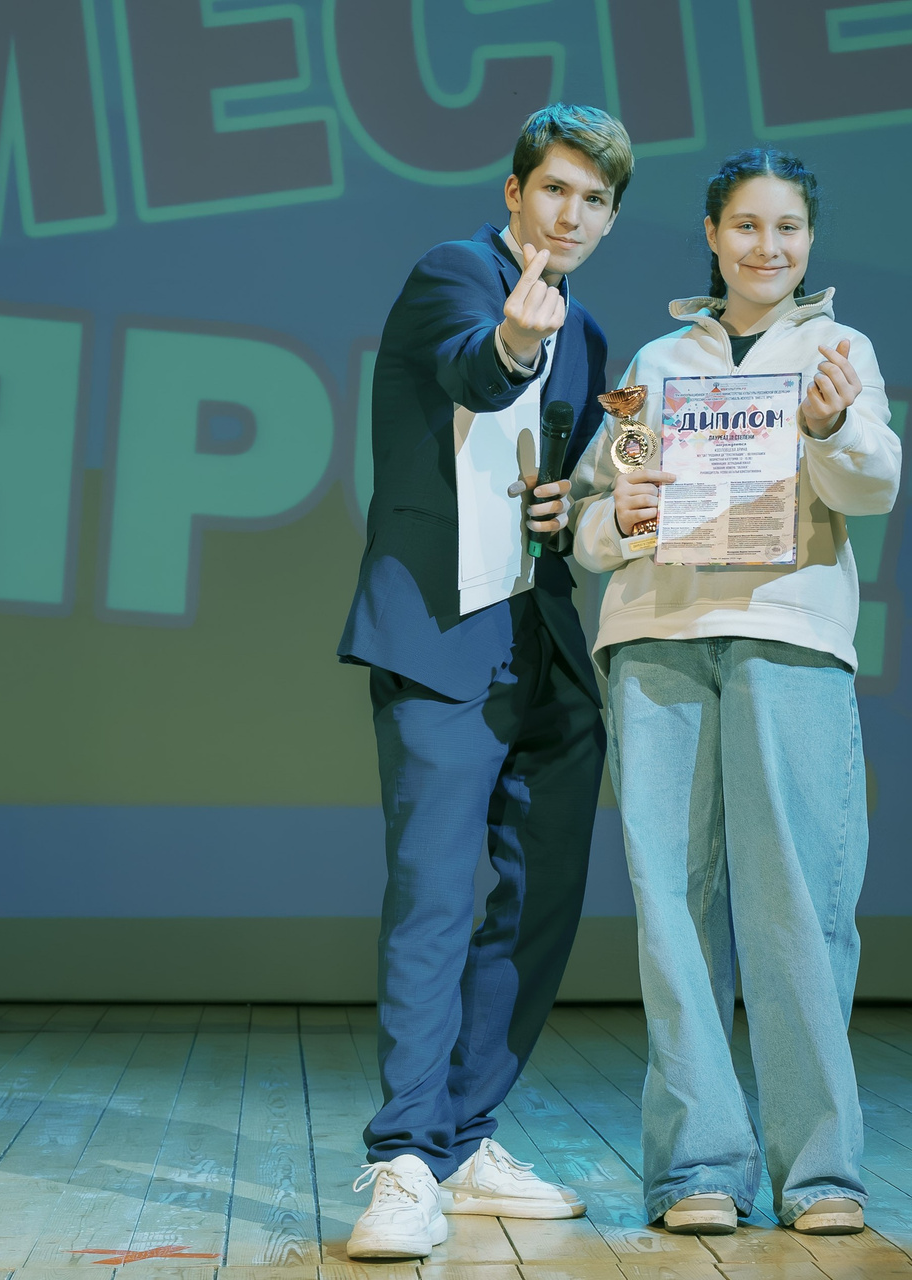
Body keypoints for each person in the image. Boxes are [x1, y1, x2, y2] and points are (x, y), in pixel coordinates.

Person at [569, 149, 900, 1236]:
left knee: (798, 906)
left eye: (788, 227)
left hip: (785, 637)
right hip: (659, 640)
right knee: (672, 909)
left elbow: (873, 486)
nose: (768, 246)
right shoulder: (657, 364)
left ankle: (822, 1173)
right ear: (712, 236)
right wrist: (622, 517)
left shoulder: (839, 354)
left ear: (811, 241)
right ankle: (697, 1168)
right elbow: (595, 515)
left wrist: (830, 428)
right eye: (747, 225)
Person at [334, 104, 632, 1260]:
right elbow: (471, 365)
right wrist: (511, 343)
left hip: (540, 644)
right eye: (554, 189)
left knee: (542, 896)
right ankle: (404, 1156)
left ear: (610, 218)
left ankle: (463, 1134)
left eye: (594, 200)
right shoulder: (455, 273)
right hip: (441, 637)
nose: (570, 214)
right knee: (432, 895)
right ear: (515, 193)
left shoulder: (590, 331)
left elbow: (553, 479)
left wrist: (567, 506)